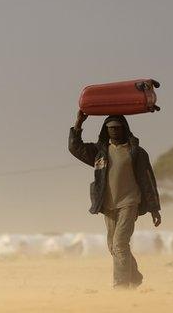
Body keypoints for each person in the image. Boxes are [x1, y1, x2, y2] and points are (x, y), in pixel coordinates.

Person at [68, 111, 162, 289]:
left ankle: (121, 285)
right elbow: (75, 148)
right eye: (110, 128)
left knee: (119, 243)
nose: (114, 131)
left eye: (117, 128)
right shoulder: (99, 152)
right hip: (108, 204)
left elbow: (148, 180)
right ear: (106, 130)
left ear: (124, 129)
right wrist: (79, 122)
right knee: (113, 246)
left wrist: (154, 208)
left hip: (130, 202)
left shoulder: (137, 152)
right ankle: (134, 276)